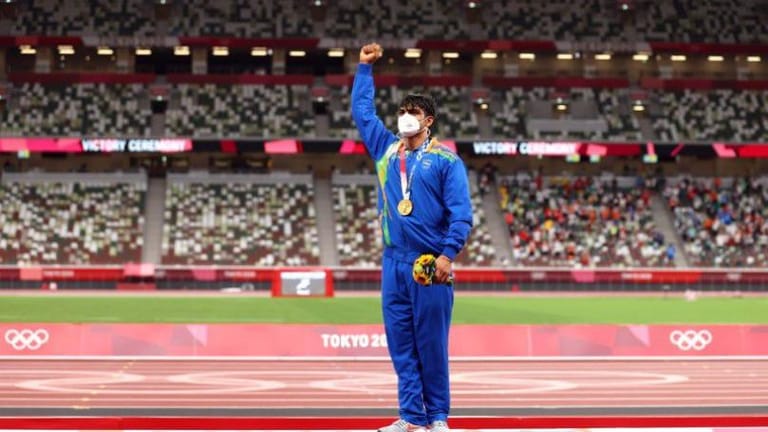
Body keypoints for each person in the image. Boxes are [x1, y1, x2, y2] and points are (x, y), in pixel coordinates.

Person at [351, 43, 473, 432]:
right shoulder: (386, 151)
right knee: (401, 345)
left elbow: (462, 214)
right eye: (402, 112)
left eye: (413, 113)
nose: (405, 117)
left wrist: (447, 255)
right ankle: (411, 416)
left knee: (431, 344)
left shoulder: (447, 161)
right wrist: (364, 69)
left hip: (429, 262)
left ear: (428, 121)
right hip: (394, 262)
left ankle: (437, 417)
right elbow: (362, 113)